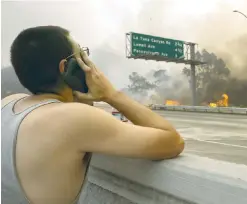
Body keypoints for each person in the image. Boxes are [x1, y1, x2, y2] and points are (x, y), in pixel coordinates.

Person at [1, 26, 184, 204]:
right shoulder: (73, 119)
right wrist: (111, 94)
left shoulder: (8, 103)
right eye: (81, 56)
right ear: (66, 67)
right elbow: (173, 141)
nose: (88, 63)